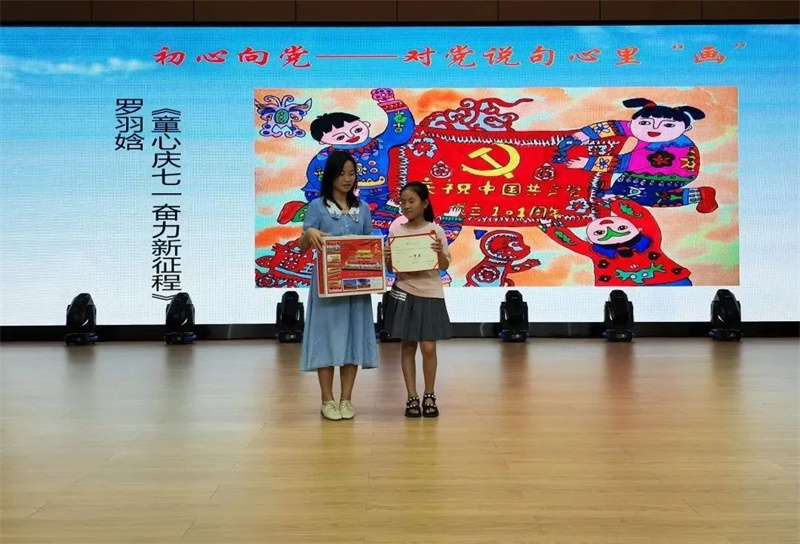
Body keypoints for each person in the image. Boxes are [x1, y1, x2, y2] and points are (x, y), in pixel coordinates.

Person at [298, 151, 378, 421]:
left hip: (355, 286)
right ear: (330, 176)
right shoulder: (317, 207)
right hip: (327, 287)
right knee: (326, 339)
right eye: (341, 173)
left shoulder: (363, 208)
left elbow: (369, 245)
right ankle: (327, 400)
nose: (347, 178)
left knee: (353, 338)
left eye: (351, 173)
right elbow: (303, 246)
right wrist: (309, 233)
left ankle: (346, 399)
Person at [559, 97, 717, 213]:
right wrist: (582, 135)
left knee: (643, 196)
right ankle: (616, 192)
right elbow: (613, 126)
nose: (654, 129)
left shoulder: (667, 146)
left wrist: (587, 163)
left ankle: (700, 194)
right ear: (634, 122)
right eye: (645, 123)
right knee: (628, 182)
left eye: (668, 125)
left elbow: (626, 163)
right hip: (647, 170)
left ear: (686, 129)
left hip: (675, 174)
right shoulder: (640, 128)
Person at [383, 182, 452, 418]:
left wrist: (438, 251)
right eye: (402, 202)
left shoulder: (436, 231)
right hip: (405, 291)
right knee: (408, 345)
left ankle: (429, 394)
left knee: (429, 347)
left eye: (411, 201)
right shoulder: (396, 232)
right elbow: (391, 269)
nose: (406, 206)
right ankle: (411, 396)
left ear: (424, 203)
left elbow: (444, 265)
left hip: (430, 292)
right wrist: (388, 257)